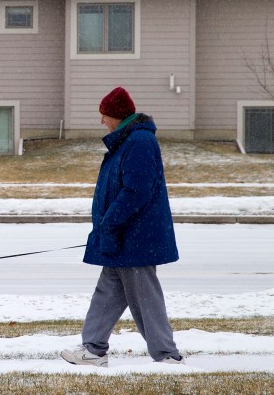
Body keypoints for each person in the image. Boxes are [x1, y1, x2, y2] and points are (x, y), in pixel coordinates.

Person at [60, 87, 184, 368]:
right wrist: (107, 228)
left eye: (103, 116)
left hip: (135, 236)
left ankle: (167, 356)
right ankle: (93, 349)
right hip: (121, 236)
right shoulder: (126, 141)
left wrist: (110, 221)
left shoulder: (139, 142)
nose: (101, 121)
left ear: (116, 115)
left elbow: (136, 191)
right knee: (107, 292)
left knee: (144, 297)